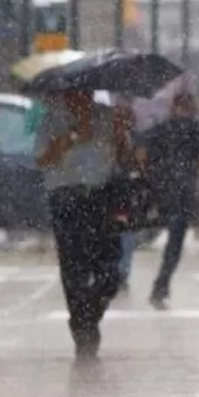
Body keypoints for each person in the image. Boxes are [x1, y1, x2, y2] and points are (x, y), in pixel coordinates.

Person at [35, 91, 129, 359]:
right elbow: (42, 159)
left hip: (101, 197)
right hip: (66, 198)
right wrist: (74, 136)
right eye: (74, 91)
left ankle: (88, 315)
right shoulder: (53, 119)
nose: (80, 96)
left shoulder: (108, 116)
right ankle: (82, 328)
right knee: (73, 269)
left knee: (110, 271)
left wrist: (121, 136)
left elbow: (125, 159)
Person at [144, 92, 199, 309]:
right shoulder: (198, 130)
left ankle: (154, 284)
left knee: (147, 230)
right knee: (174, 243)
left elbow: (142, 156)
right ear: (191, 107)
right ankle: (160, 285)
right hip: (182, 194)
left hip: (160, 191)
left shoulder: (160, 129)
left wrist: (154, 176)